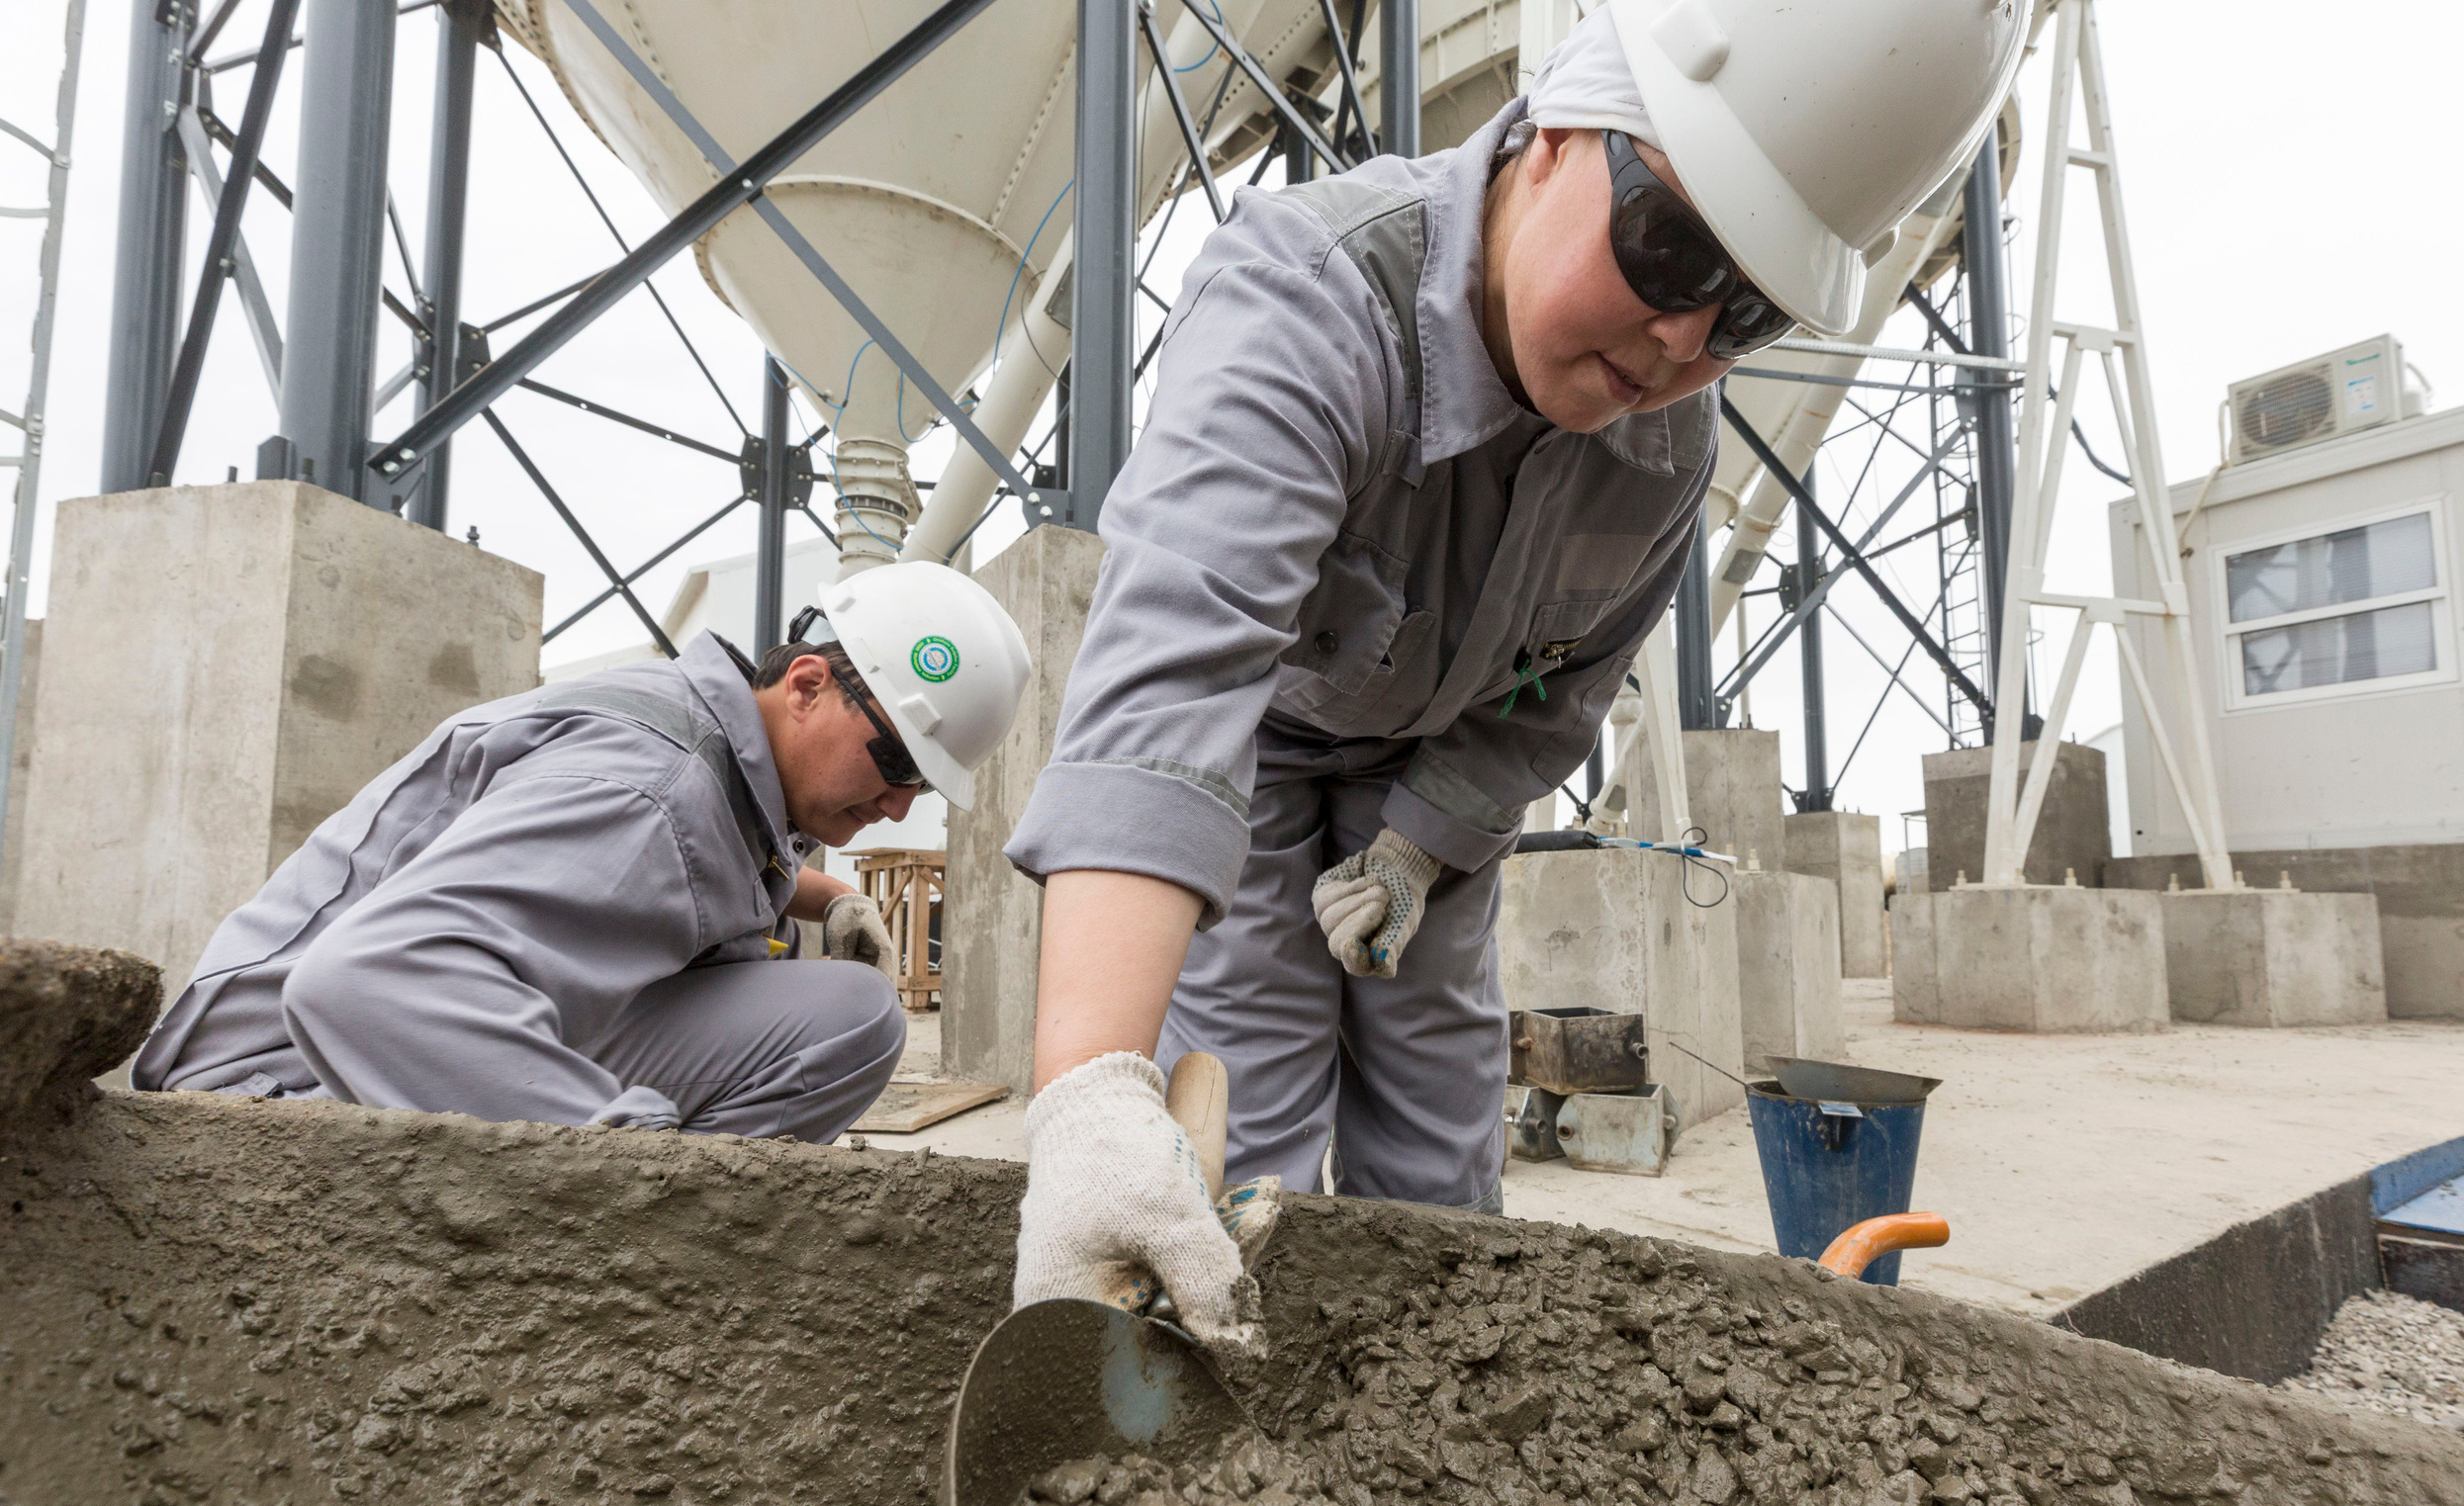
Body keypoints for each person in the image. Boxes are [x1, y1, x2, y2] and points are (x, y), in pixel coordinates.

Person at [1003, 0, 2027, 1346]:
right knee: (1241, 1117)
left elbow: (1561, 693)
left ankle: (1428, 1413)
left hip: (1435, 791)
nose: (1680, 342)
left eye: (1749, 313)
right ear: (1551, 130)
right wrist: (1087, 1098)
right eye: (1668, 248)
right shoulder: (1310, 297)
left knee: (1439, 1152)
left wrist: (1424, 844)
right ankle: (1230, 1390)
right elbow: (1176, 674)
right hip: (1258, 759)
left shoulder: (1667, 452)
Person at [134, 562, 1032, 1144]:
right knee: (843, 1025)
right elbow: (363, 983)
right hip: (271, 1089)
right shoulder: (650, 791)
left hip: (373, 1041)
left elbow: (699, 856)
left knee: (850, 1015)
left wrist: (824, 895)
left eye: (923, 786)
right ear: (807, 686)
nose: (899, 802)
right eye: (897, 761)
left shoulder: (717, 754)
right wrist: (619, 1152)